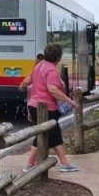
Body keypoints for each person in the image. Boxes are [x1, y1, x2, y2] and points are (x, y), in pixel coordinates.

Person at [21, 44, 79, 173]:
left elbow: (27, 81)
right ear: (59, 57)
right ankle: (62, 163)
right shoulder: (52, 70)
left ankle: (31, 164)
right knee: (54, 134)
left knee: (44, 134)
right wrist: (70, 101)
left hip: (34, 105)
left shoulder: (38, 66)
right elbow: (52, 89)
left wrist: (22, 87)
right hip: (47, 107)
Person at [19, 53, 45, 121]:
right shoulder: (53, 69)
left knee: (39, 125)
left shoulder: (37, 68)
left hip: (35, 104)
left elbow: (25, 83)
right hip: (50, 106)